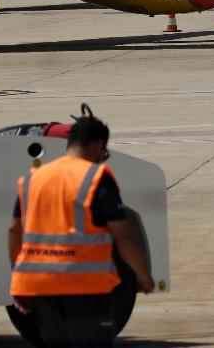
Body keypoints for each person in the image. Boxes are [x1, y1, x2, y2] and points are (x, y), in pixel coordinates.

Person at [9, 108, 154, 348]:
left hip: (40, 287)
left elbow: (14, 231)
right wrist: (142, 275)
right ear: (98, 145)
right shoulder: (95, 177)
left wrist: (18, 281)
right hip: (85, 288)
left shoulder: (33, 178)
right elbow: (124, 237)